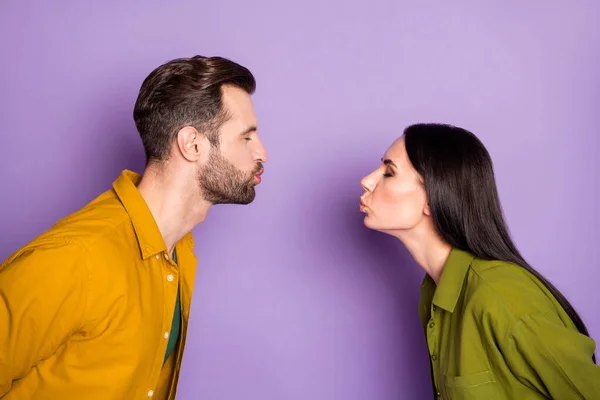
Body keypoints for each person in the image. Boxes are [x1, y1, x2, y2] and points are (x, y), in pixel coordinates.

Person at [0, 55, 267, 399]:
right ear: (192, 144)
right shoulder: (75, 259)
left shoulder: (178, 253)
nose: (262, 153)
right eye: (246, 137)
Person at [359, 123, 600, 399]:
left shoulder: (501, 297)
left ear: (433, 197)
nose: (367, 180)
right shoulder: (433, 295)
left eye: (389, 172)